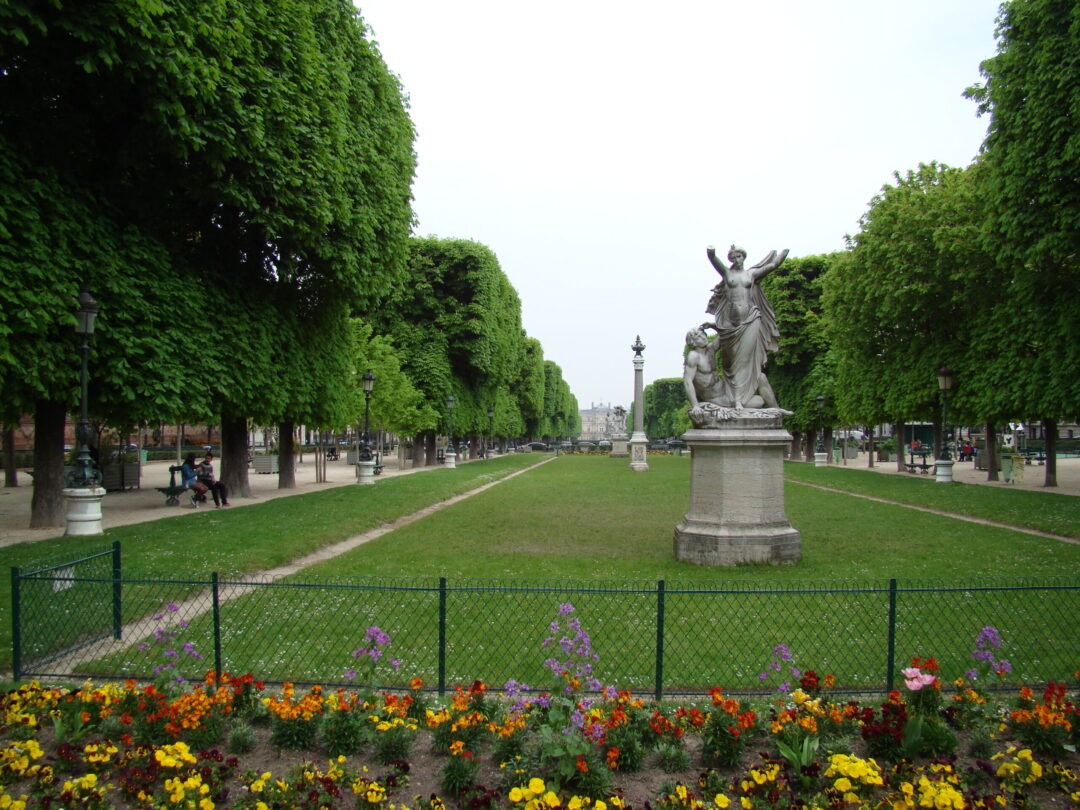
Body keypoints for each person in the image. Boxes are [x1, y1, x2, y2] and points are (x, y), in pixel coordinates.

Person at [705, 244, 787, 409]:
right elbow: (714, 260)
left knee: (744, 360)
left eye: (739, 256)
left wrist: (782, 255)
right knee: (729, 363)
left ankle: (738, 400)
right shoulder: (727, 273)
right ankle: (737, 397)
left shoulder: (751, 274)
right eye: (733, 257)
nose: (736, 259)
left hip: (751, 320)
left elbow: (771, 266)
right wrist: (711, 252)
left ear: (744, 257)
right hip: (730, 325)